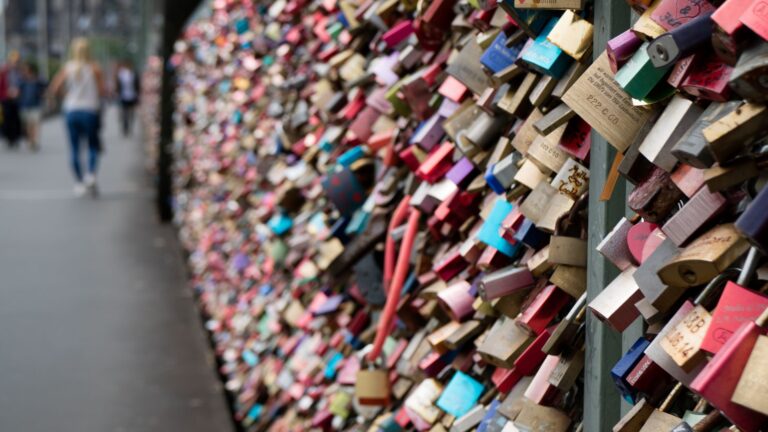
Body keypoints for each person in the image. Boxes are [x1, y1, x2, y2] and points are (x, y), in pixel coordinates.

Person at [48, 38, 106, 197]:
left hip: (71, 110)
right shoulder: (95, 68)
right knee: (92, 145)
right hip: (90, 110)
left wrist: (67, 96)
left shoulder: (68, 68)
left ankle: (79, 182)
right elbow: (102, 92)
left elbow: (54, 87)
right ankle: (91, 175)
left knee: (74, 148)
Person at [18, 62, 47, 152]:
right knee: (28, 125)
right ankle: (30, 141)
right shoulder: (22, 80)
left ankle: (34, 141)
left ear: (30, 70)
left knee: (35, 124)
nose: (24, 71)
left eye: (25, 69)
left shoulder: (38, 79)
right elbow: (18, 92)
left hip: (36, 105)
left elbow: (46, 88)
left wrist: (45, 96)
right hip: (24, 105)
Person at [0, 51, 23, 149]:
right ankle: (9, 138)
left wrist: (18, 92)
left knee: (16, 118)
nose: (14, 63)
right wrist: (7, 93)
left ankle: (16, 137)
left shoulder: (20, 72)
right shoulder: (3, 71)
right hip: (6, 98)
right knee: (7, 118)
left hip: (17, 98)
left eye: (16, 61)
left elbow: (23, 84)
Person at [115, 60, 139, 137]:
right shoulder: (122, 74)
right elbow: (118, 85)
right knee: (127, 113)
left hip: (130, 95)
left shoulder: (131, 74)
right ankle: (126, 127)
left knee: (128, 113)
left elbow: (137, 84)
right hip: (126, 96)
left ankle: (127, 126)